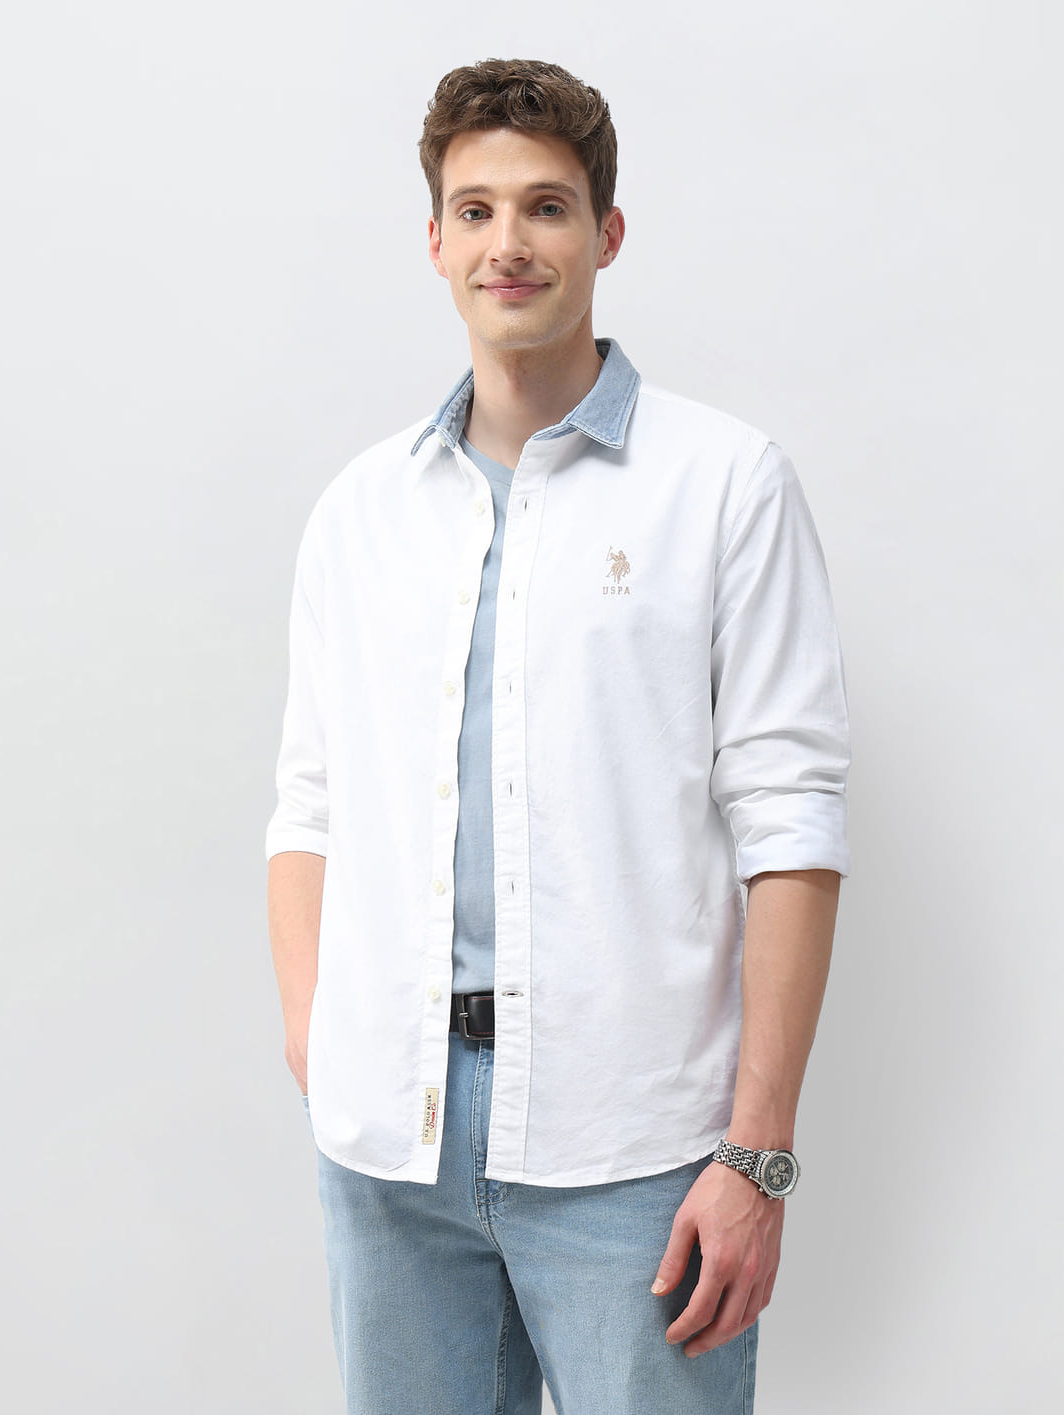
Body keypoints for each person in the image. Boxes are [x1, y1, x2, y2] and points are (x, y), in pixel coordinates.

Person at [266, 57, 850, 1415]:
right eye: (474, 211)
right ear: (433, 241)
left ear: (606, 232)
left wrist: (755, 1153)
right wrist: (318, 1044)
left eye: (546, 206)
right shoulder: (362, 511)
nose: (508, 244)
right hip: (391, 1152)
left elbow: (792, 825)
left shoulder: (723, 485)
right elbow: (310, 806)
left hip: (632, 1147)